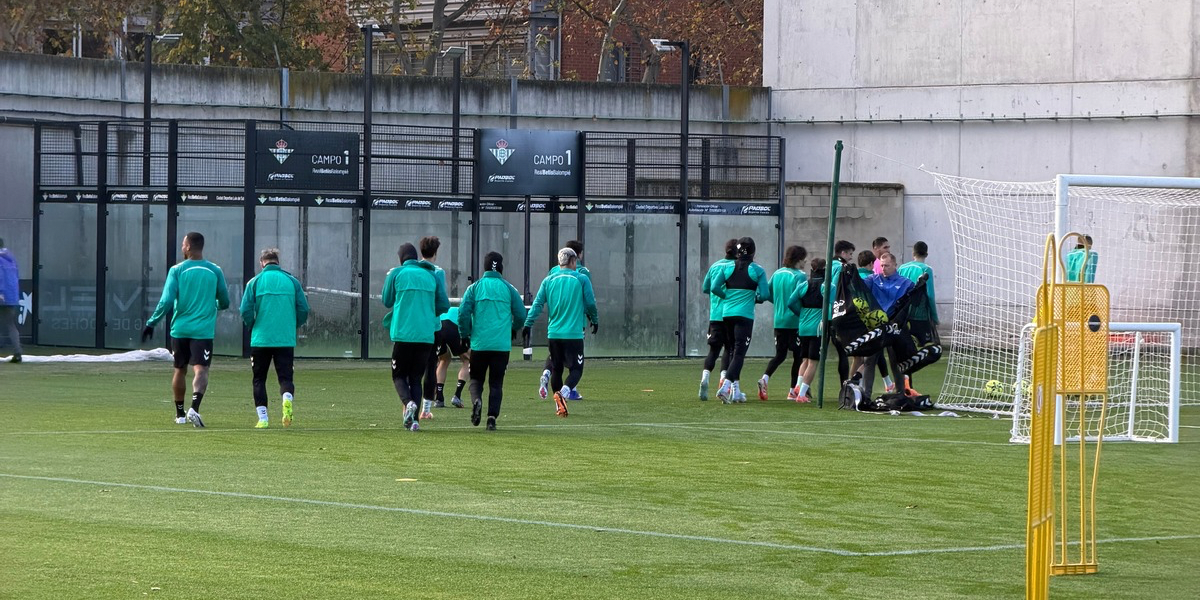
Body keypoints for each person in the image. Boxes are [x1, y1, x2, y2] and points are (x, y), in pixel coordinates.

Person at [141, 232, 230, 427]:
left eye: (183, 244)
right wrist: (213, 304)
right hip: (203, 331)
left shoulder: (177, 270)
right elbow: (225, 300)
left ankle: (180, 414)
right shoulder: (215, 270)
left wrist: (151, 323)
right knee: (201, 369)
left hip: (180, 330)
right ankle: (194, 408)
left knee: (179, 370)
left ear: (188, 247)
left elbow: (166, 301)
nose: (182, 247)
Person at [382, 242, 450, 431]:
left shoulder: (396, 273)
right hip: (426, 336)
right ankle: (414, 422)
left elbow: (386, 300)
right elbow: (443, 305)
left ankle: (408, 403)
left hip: (403, 334)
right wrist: (426, 312)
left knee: (398, 375)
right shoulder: (431, 275)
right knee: (415, 378)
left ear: (401, 258)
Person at [523, 247, 598, 417]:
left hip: (554, 334)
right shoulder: (581, 279)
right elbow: (591, 303)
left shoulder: (548, 280)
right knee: (576, 370)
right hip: (573, 334)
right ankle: (563, 393)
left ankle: (559, 406)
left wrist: (528, 324)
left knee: (556, 369)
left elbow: (537, 305)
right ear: (573, 261)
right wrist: (595, 319)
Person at [239, 248, 310, 429]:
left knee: (259, 379)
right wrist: (292, 324)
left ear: (262, 263)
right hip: (285, 339)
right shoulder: (292, 281)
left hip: (261, 338)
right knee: (286, 378)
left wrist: (252, 324)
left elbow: (245, 310)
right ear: (277, 262)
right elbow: (304, 309)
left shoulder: (254, 282)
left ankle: (263, 418)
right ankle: (287, 398)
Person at [458, 251, 527, 430]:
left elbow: (463, 313)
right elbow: (521, 314)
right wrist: (513, 328)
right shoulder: (509, 288)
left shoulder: (474, 288)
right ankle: (491, 419)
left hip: (479, 344)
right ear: (501, 268)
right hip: (501, 346)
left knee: (476, 379)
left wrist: (465, 334)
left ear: (485, 267)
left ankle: (477, 400)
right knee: (496, 383)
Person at [711, 237, 769, 403]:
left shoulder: (728, 267)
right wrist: (754, 298)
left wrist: (728, 296)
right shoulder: (758, 270)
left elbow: (714, 287)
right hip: (744, 316)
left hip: (727, 314)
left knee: (730, 350)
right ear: (753, 252)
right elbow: (764, 294)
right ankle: (725, 387)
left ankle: (736, 391)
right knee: (739, 353)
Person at [538, 239, 592, 401]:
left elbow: (545, 296)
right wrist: (592, 317)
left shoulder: (553, 272)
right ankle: (570, 390)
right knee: (575, 361)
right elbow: (588, 299)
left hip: (555, 323)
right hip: (575, 324)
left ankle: (546, 374)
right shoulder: (582, 273)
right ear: (578, 256)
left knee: (556, 359)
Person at [858, 252, 914, 396]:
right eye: (882, 265)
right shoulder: (873, 279)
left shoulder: (905, 283)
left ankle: (900, 393)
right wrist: (851, 275)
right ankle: (866, 394)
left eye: (887, 265)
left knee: (896, 361)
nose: (884, 268)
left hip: (895, 326)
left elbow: (913, 301)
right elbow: (858, 286)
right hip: (876, 326)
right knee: (869, 360)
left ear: (895, 265)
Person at [756, 245, 807, 401]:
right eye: (804, 259)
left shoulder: (777, 273)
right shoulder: (800, 276)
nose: (805, 262)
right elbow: (800, 297)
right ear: (799, 260)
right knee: (799, 357)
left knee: (780, 355)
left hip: (778, 321)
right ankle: (792, 390)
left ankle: (765, 378)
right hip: (794, 321)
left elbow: (768, 294)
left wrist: (779, 302)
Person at [698, 239, 738, 400]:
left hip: (715, 315)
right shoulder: (736, 268)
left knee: (713, 351)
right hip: (730, 314)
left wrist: (716, 298)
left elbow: (706, 288)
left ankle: (705, 378)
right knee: (729, 349)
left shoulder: (715, 266)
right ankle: (723, 379)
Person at [898, 241, 938, 392]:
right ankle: (907, 384)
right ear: (926, 254)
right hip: (919, 316)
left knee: (904, 350)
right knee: (928, 350)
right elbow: (930, 295)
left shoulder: (902, 268)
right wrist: (934, 316)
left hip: (903, 315)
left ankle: (905, 383)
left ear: (913, 253)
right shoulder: (926, 269)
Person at [418, 235, 451, 419]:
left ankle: (408, 404)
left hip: (413, 325)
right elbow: (442, 301)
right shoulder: (438, 272)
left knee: (412, 368)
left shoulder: (412, 269)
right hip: (433, 326)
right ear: (436, 253)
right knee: (431, 366)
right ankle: (426, 409)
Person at [787, 258, 826, 403]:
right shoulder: (826, 286)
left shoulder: (804, 284)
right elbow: (830, 306)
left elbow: (791, 302)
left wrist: (801, 314)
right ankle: (802, 394)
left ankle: (797, 387)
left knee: (805, 359)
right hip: (817, 328)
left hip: (803, 326)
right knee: (813, 362)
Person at [0, 238, 21, 363]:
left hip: (2, 295)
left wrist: (1, 292)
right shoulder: (11, 259)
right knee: (10, 324)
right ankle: (17, 352)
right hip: (12, 296)